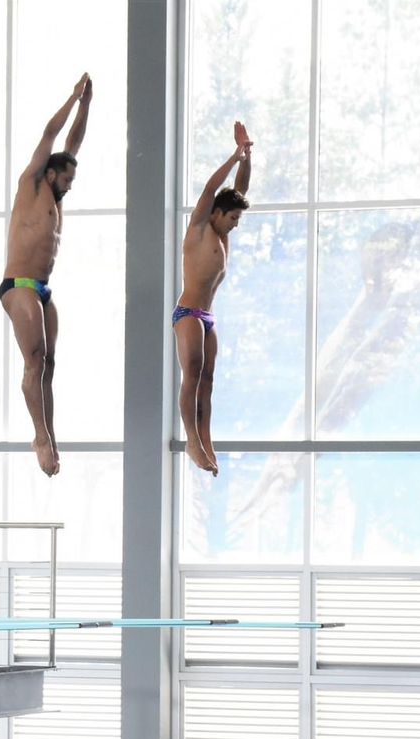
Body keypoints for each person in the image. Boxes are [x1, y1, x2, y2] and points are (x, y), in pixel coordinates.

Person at [1, 73, 92, 477]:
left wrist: (88, 108)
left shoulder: (55, 198)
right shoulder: (32, 184)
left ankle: (50, 435)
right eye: (66, 179)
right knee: (34, 361)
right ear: (51, 174)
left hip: (42, 289)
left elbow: (73, 145)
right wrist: (73, 98)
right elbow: (52, 136)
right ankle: (39, 436)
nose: (70, 186)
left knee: (49, 365)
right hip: (18, 285)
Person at [174, 122, 252, 476]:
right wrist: (234, 155)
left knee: (208, 381)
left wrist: (247, 155)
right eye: (233, 218)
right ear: (217, 213)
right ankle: (191, 440)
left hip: (207, 317)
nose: (236, 224)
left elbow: (240, 190)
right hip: (188, 313)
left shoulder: (223, 236)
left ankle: (205, 440)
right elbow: (211, 189)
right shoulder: (201, 227)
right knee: (191, 375)